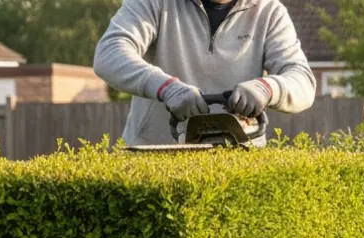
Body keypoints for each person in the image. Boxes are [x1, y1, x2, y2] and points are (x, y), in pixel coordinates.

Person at [94, 0, 315, 146]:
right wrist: (166, 88)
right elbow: (110, 53)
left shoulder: (269, 11)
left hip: (239, 162)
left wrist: (267, 89)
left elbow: (302, 79)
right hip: (154, 156)